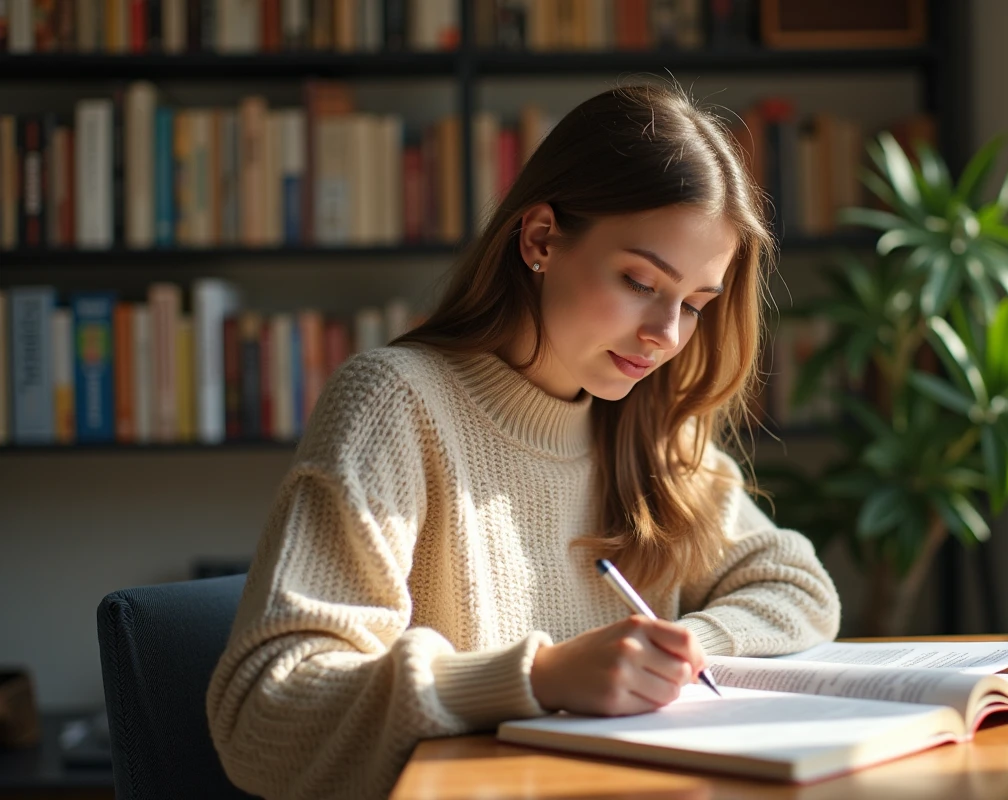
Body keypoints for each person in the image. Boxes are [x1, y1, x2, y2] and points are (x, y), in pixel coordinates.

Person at [206, 82, 841, 800]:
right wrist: (537, 678)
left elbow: (798, 587)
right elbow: (265, 717)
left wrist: (686, 650)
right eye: (640, 282)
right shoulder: (396, 405)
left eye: (695, 304)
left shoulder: (645, 422)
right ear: (541, 239)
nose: (666, 336)